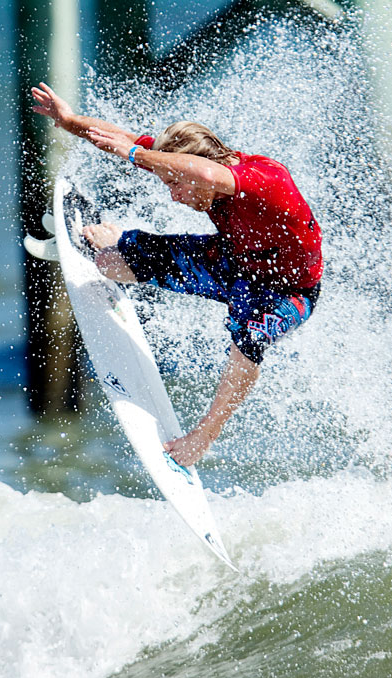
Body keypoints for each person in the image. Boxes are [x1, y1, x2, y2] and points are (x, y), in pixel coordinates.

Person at [29, 82, 322, 466]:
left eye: (175, 184)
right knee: (111, 265)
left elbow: (198, 169)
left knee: (249, 338)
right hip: (231, 261)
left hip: (287, 292)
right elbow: (120, 136)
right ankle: (108, 238)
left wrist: (135, 154)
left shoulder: (263, 180)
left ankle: (204, 434)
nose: (173, 195)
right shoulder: (198, 173)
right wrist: (69, 121)